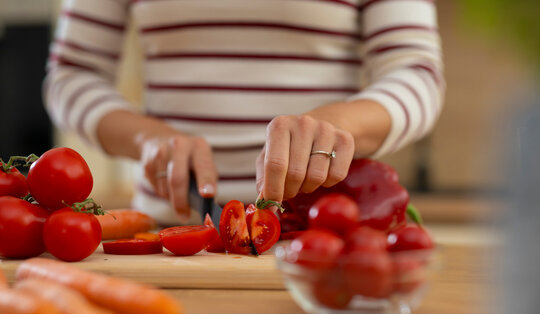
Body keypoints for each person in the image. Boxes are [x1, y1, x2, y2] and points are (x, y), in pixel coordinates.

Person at [44, 0, 444, 225]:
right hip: (169, 235)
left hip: (322, 233)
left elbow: (418, 75)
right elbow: (71, 75)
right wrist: (145, 138)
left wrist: (337, 124)